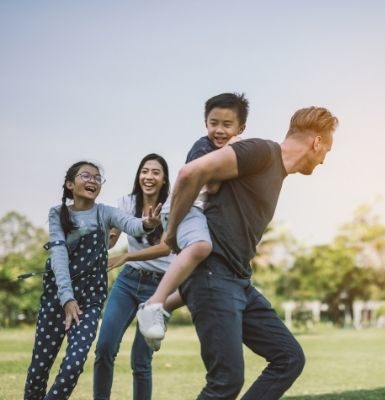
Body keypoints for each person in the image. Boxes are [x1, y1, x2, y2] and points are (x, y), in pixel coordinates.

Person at [163, 106, 338, 399]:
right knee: (226, 381)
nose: (323, 160)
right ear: (316, 142)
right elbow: (190, 171)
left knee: (289, 357)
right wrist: (171, 232)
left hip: (239, 282)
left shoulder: (276, 172)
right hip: (213, 273)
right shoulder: (262, 152)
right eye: (327, 151)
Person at [24, 161, 162, 400]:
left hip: (89, 302)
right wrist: (66, 297)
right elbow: (58, 255)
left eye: (97, 178)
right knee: (38, 370)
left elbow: (132, 224)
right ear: (70, 184)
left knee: (74, 365)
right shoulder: (58, 214)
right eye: (85, 176)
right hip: (57, 298)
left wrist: (147, 224)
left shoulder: (105, 213)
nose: (92, 181)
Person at [136, 93, 248, 343]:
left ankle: (162, 309)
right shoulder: (203, 147)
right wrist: (231, 149)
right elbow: (213, 185)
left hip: (197, 212)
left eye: (226, 125)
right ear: (205, 123)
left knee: (203, 279)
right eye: (213, 123)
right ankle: (154, 303)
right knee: (201, 246)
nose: (218, 130)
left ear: (240, 128)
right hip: (184, 208)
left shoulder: (231, 151)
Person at [93, 153, 173, 400]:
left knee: (141, 359)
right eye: (145, 171)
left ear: (164, 179)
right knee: (104, 347)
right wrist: (100, 234)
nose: (149, 177)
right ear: (139, 175)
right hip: (128, 282)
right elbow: (110, 240)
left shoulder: (172, 205)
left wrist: (126, 256)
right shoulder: (126, 203)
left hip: (159, 288)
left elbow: (166, 247)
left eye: (155, 172)